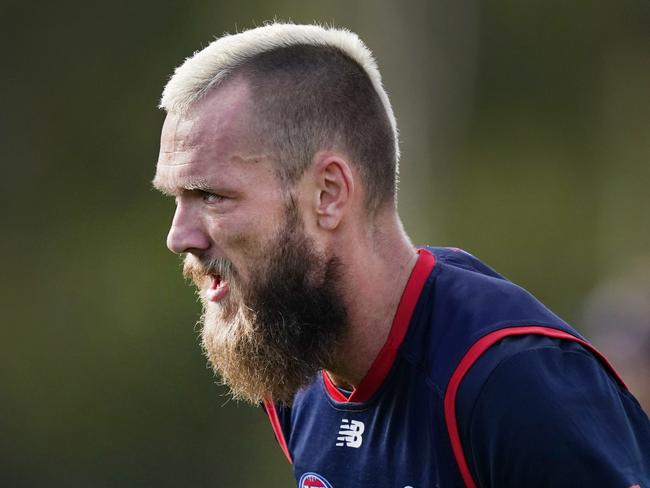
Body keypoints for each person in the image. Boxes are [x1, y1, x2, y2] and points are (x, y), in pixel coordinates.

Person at [153, 22, 650, 488]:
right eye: (175, 198)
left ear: (328, 194)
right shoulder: (296, 365)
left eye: (211, 195)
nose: (180, 236)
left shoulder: (510, 383)